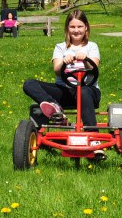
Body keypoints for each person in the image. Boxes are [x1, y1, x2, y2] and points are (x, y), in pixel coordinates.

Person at [23, 10, 103, 157]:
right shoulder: (60, 47)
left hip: (88, 91)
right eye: (72, 27)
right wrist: (64, 61)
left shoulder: (92, 46)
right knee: (29, 84)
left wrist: (85, 59)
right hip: (65, 90)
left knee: (84, 91)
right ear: (67, 29)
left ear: (86, 28)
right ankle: (54, 106)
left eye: (79, 26)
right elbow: (56, 70)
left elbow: (94, 66)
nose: (76, 30)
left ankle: (94, 139)